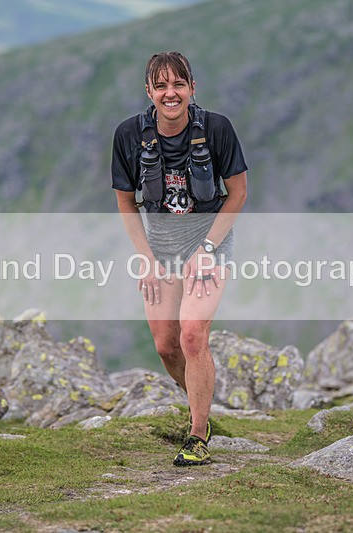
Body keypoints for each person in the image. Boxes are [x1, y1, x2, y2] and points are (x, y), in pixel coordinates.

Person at [111, 51, 248, 466]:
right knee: (166, 346)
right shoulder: (128, 135)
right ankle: (200, 404)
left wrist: (206, 250)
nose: (170, 93)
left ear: (192, 88)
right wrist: (146, 258)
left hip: (209, 243)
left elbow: (238, 193)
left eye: (179, 84)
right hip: (160, 247)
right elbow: (125, 201)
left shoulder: (218, 129)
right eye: (161, 86)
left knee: (192, 335)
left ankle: (197, 434)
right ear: (149, 91)